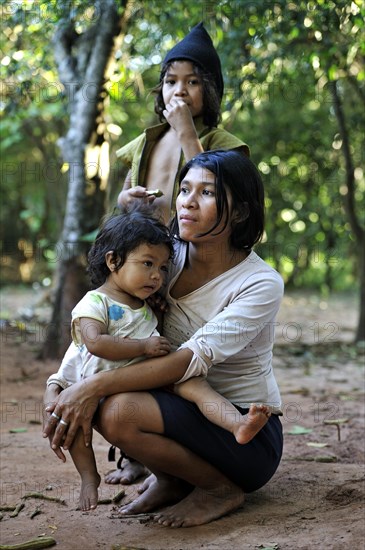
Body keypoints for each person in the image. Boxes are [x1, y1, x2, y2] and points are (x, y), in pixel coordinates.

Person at [43, 150, 284, 527]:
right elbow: (106, 318)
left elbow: (188, 361)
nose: (188, 201)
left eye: (207, 193)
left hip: (242, 433)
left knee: (116, 407)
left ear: (239, 212)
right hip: (177, 409)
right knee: (113, 402)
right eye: (185, 188)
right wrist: (60, 383)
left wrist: (90, 387)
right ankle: (172, 480)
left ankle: (219, 489)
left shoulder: (259, 282)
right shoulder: (162, 258)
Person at [116, 22, 249, 223]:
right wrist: (125, 199)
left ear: (211, 90)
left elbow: (211, 189)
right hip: (148, 245)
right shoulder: (147, 140)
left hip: (195, 248)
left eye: (192, 82)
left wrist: (187, 132)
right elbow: (124, 193)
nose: (180, 90)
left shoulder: (223, 144)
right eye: (171, 81)